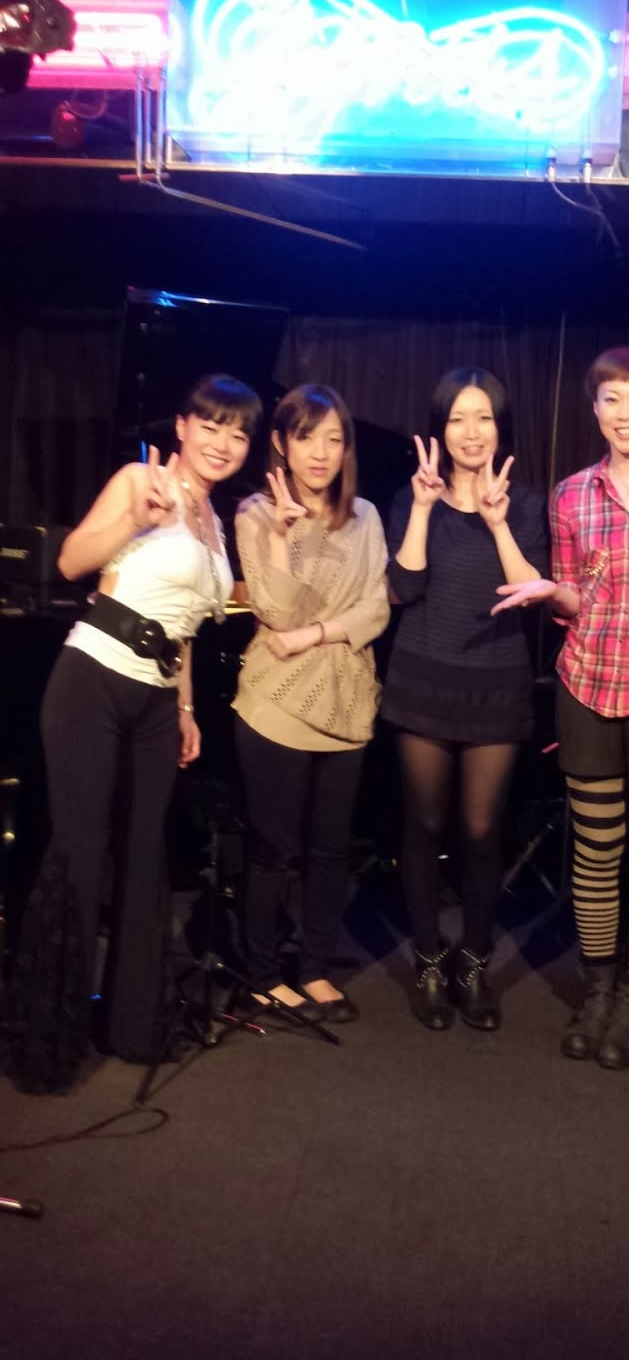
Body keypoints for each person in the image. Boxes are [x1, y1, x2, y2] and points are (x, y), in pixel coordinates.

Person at [3, 373, 261, 1092]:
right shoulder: (140, 481)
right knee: (81, 854)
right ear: (181, 426)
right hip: (93, 677)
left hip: (155, 698)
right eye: (211, 425)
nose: (223, 442)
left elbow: (184, 628)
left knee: (148, 858)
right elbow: (70, 562)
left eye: (238, 432)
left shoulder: (215, 523)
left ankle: (133, 1025)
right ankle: (47, 1042)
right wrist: (136, 523)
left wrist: (185, 708)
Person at [494, 347, 629, 1068]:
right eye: (612, 399)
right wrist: (549, 592)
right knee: (594, 852)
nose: (626, 413)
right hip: (586, 679)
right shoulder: (569, 494)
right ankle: (597, 991)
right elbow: (573, 596)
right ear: (594, 408)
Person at [382, 367, 549, 1031]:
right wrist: (425, 509)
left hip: (496, 682)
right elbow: (403, 588)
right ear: (440, 429)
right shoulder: (411, 496)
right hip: (423, 677)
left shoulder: (525, 503)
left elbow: (530, 593)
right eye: (457, 418)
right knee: (424, 825)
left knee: (481, 832)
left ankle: (474, 959)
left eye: (483, 418)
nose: (471, 432)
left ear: (500, 428)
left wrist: (498, 524)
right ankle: (429, 959)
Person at [232, 384, 389, 1023]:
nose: (321, 452)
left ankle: (316, 966)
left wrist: (315, 634)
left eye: (333, 439)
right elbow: (274, 611)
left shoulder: (366, 517)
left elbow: (376, 610)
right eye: (305, 437)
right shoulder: (254, 513)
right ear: (281, 443)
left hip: (347, 701)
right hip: (276, 700)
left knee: (330, 848)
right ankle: (262, 974)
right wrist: (279, 540)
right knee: (274, 849)